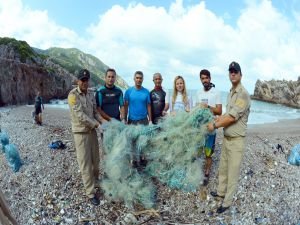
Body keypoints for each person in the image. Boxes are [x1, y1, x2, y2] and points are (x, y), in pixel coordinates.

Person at [208, 62, 250, 214]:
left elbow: (232, 118)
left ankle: (226, 202)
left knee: (232, 172)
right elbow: (226, 114)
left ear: (240, 75)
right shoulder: (231, 92)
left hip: (236, 141)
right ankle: (220, 193)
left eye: (235, 72)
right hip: (227, 139)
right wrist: (216, 121)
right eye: (230, 72)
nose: (232, 74)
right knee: (223, 168)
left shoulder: (243, 94)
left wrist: (215, 126)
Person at [68, 69, 104, 206]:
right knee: (85, 164)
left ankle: (95, 181)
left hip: (92, 132)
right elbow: (80, 115)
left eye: (86, 80)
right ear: (78, 81)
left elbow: (95, 112)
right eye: (82, 80)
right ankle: (90, 192)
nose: (84, 82)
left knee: (96, 160)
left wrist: (102, 122)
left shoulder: (90, 94)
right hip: (81, 134)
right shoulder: (72, 95)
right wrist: (96, 124)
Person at [195, 69, 222, 186]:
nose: (205, 80)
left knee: (208, 153)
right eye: (202, 78)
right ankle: (198, 172)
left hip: (211, 128)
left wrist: (208, 107)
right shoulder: (198, 93)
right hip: (200, 128)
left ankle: (207, 173)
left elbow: (219, 111)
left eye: (206, 78)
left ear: (210, 79)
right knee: (198, 151)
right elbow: (196, 110)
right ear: (200, 80)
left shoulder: (216, 92)